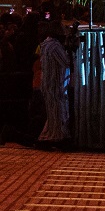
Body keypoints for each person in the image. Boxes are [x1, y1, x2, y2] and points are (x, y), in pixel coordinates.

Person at [36, 20, 72, 150]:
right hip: (55, 84)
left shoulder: (46, 45)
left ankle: (49, 137)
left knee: (53, 114)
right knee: (57, 112)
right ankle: (54, 138)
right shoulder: (54, 46)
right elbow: (66, 62)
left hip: (49, 84)